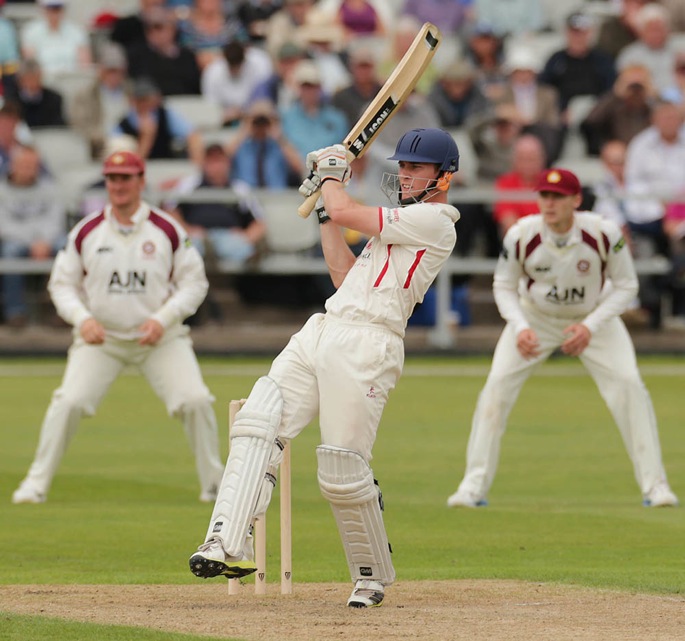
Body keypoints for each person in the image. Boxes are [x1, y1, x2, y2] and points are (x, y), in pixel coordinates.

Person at [187, 127, 461, 608]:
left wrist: (331, 177)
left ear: (444, 176)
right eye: (403, 167)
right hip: (325, 326)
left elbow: (346, 208)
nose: (405, 176)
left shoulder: (436, 221)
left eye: (416, 168)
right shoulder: (398, 222)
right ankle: (227, 541)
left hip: (369, 344)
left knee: (340, 469)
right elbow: (342, 272)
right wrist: (322, 209)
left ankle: (370, 575)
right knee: (257, 418)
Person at [446, 168, 679, 510]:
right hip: (536, 319)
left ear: (576, 200)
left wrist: (591, 326)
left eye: (558, 197)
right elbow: (504, 285)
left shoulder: (604, 234)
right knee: (495, 390)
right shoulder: (522, 235)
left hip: (592, 319)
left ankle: (655, 486)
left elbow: (627, 285)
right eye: (544, 196)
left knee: (629, 386)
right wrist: (521, 325)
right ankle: (472, 487)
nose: (549, 204)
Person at [11, 150, 224, 505]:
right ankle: (36, 485)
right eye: (112, 178)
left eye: (126, 178)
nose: (118, 185)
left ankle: (215, 485)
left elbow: (195, 283)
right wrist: (84, 320)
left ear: (141, 181)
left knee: (195, 400)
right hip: (102, 338)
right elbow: (61, 284)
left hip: (159, 338)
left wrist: (163, 319)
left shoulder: (167, 229)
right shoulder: (87, 231)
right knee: (69, 402)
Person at [167, 143, 267, 265]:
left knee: (238, 246)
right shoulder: (189, 184)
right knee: (188, 244)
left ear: (228, 163)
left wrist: (246, 237)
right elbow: (170, 212)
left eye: (219, 161)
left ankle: (245, 255)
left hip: (228, 238)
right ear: (204, 164)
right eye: (212, 161)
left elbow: (259, 222)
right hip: (195, 236)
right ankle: (206, 249)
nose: (216, 166)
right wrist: (187, 230)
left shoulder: (240, 189)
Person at [0, 144, 65, 327]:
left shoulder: (50, 188)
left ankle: (61, 309)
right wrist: (33, 242)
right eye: (25, 165)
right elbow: (3, 225)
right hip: (16, 241)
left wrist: (43, 241)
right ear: (13, 164)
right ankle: (15, 313)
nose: (29, 170)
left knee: (65, 247)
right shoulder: (1, 190)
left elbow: (55, 220)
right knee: (10, 252)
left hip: (47, 239)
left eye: (33, 165)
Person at [19, 0, 92, 83]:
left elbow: (85, 66)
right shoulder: (31, 31)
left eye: (57, 8)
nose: (54, 13)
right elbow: (31, 65)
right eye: (50, 8)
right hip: (43, 83)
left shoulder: (77, 31)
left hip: (72, 82)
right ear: (43, 9)